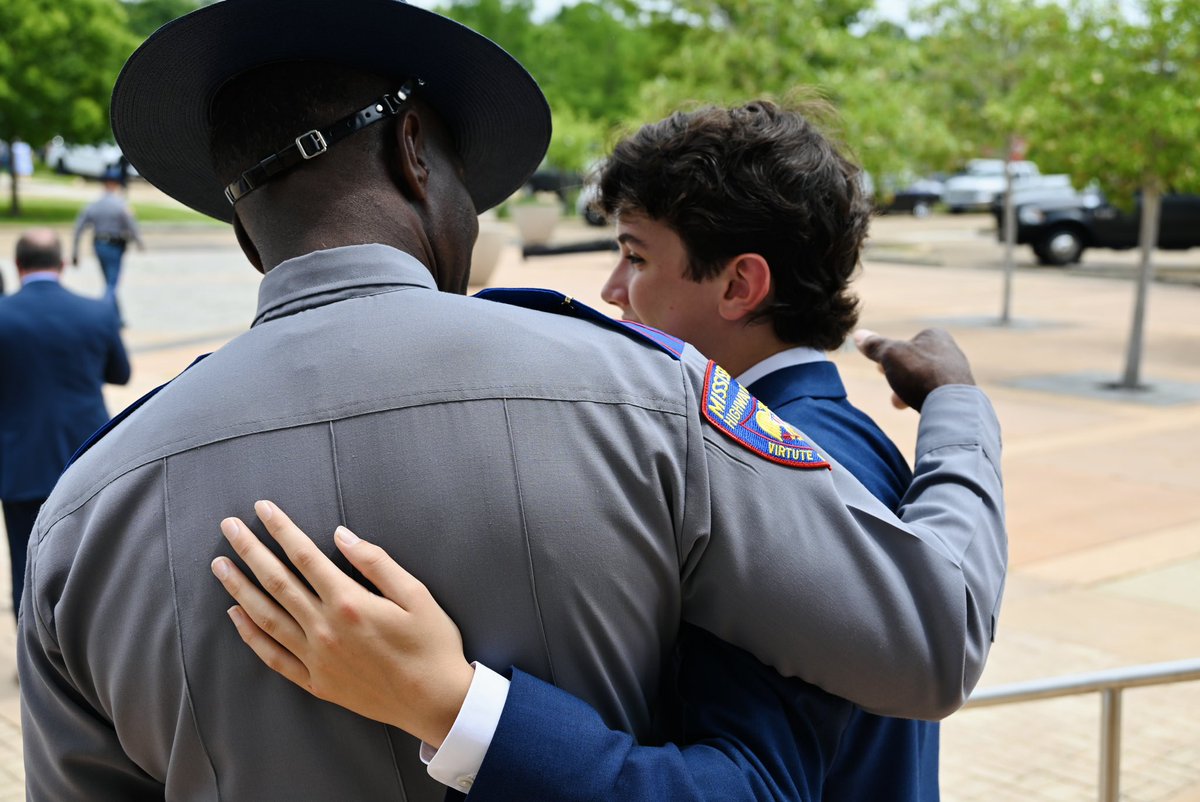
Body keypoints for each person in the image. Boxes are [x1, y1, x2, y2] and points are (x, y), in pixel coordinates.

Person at [18, 2, 1004, 800]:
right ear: (415, 153)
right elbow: (934, 636)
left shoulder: (85, 511)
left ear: (244, 232)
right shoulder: (645, 396)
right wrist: (960, 414)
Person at [213, 101, 945, 801]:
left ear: (741, 284)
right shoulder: (807, 429)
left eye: (635, 257)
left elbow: (751, 786)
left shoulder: (798, 450)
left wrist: (451, 706)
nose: (611, 289)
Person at [0, 229, 130, 623]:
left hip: (19, 459)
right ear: (61, 265)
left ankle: (33, 662)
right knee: (90, 564)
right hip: (86, 457)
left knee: (26, 561)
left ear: (18, 266)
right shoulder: (98, 311)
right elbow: (120, 374)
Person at [71, 165, 143, 317]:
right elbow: (131, 225)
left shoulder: (93, 205)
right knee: (112, 284)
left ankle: (117, 317)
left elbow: (78, 228)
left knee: (109, 282)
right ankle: (105, 314)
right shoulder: (121, 205)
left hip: (98, 245)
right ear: (115, 184)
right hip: (114, 246)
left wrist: (75, 252)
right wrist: (139, 242)